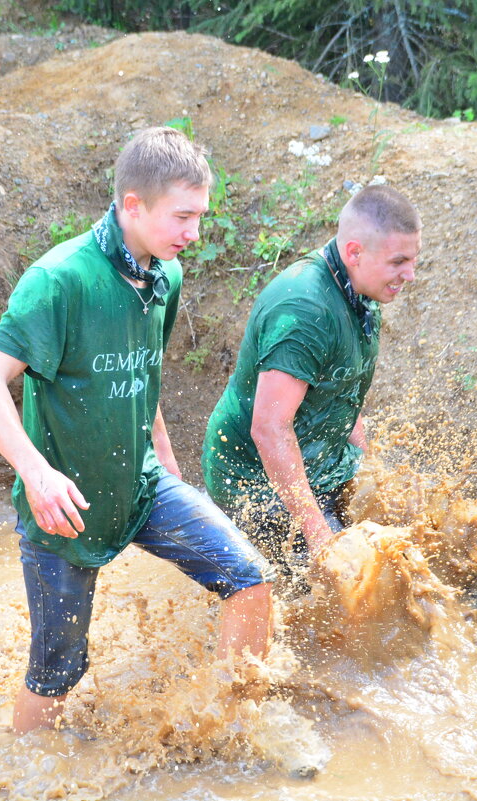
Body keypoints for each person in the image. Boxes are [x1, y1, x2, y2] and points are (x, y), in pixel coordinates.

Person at [0, 127, 273, 735]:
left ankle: (232, 731)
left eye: (200, 217)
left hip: (141, 485)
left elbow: (142, 366)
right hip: (63, 509)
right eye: (182, 216)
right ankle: (13, 772)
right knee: (57, 673)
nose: (194, 233)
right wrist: (37, 474)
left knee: (248, 579)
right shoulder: (59, 280)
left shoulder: (165, 274)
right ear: (133, 205)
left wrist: (160, 449)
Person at [201, 184, 422, 580]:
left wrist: (370, 473)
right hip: (253, 479)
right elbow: (269, 428)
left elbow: (341, 388)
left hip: (321, 460)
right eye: (399, 261)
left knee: (405, 545)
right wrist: (317, 531)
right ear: (354, 252)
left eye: (414, 259)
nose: (410, 274)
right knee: (347, 587)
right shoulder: (304, 309)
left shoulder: (363, 289)